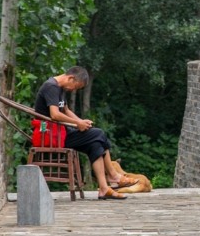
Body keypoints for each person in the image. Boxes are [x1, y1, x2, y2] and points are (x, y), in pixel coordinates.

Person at [34, 66, 137, 200]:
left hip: (62, 132)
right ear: (71, 78)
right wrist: (77, 124)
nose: (74, 90)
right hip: (51, 136)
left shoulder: (60, 88)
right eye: (76, 86)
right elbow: (55, 114)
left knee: (95, 144)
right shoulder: (51, 87)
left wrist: (81, 122)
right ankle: (113, 175)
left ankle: (104, 189)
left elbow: (65, 110)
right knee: (98, 134)